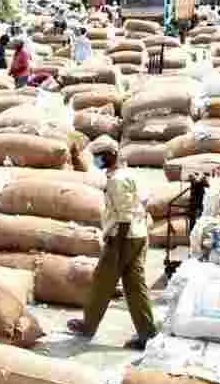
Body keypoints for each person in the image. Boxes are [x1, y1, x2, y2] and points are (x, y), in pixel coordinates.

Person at [66, 136, 156, 350]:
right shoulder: (128, 175)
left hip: (122, 238)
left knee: (102, 283)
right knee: (135, 285)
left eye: (99, 157)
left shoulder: (116, 181)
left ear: (110, 156)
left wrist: (117, 246)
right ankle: (147, 333)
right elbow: (143, 201)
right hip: (138, 234)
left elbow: (124, 216)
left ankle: (88, 325)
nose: (97, 161)